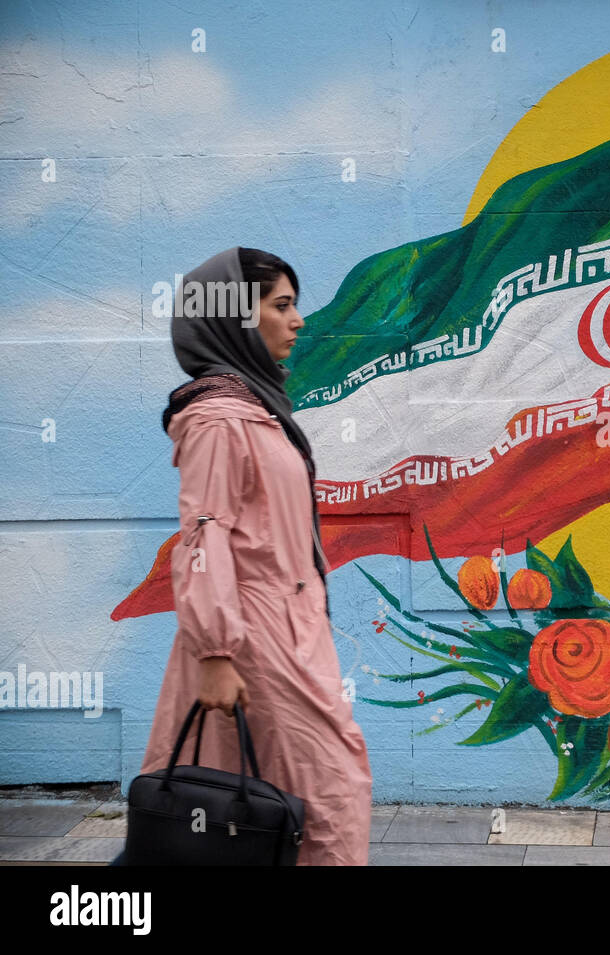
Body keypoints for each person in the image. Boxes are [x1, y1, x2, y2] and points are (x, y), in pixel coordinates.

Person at [131, 246, 372, 865]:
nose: (298, 321)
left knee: (280, 794)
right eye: (281, 305)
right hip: (252, 636)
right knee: (327, 791)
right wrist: (214, 652)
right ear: (235, 316)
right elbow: (203, 537)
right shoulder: (217, 420)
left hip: (286, 629)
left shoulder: (255, 408)